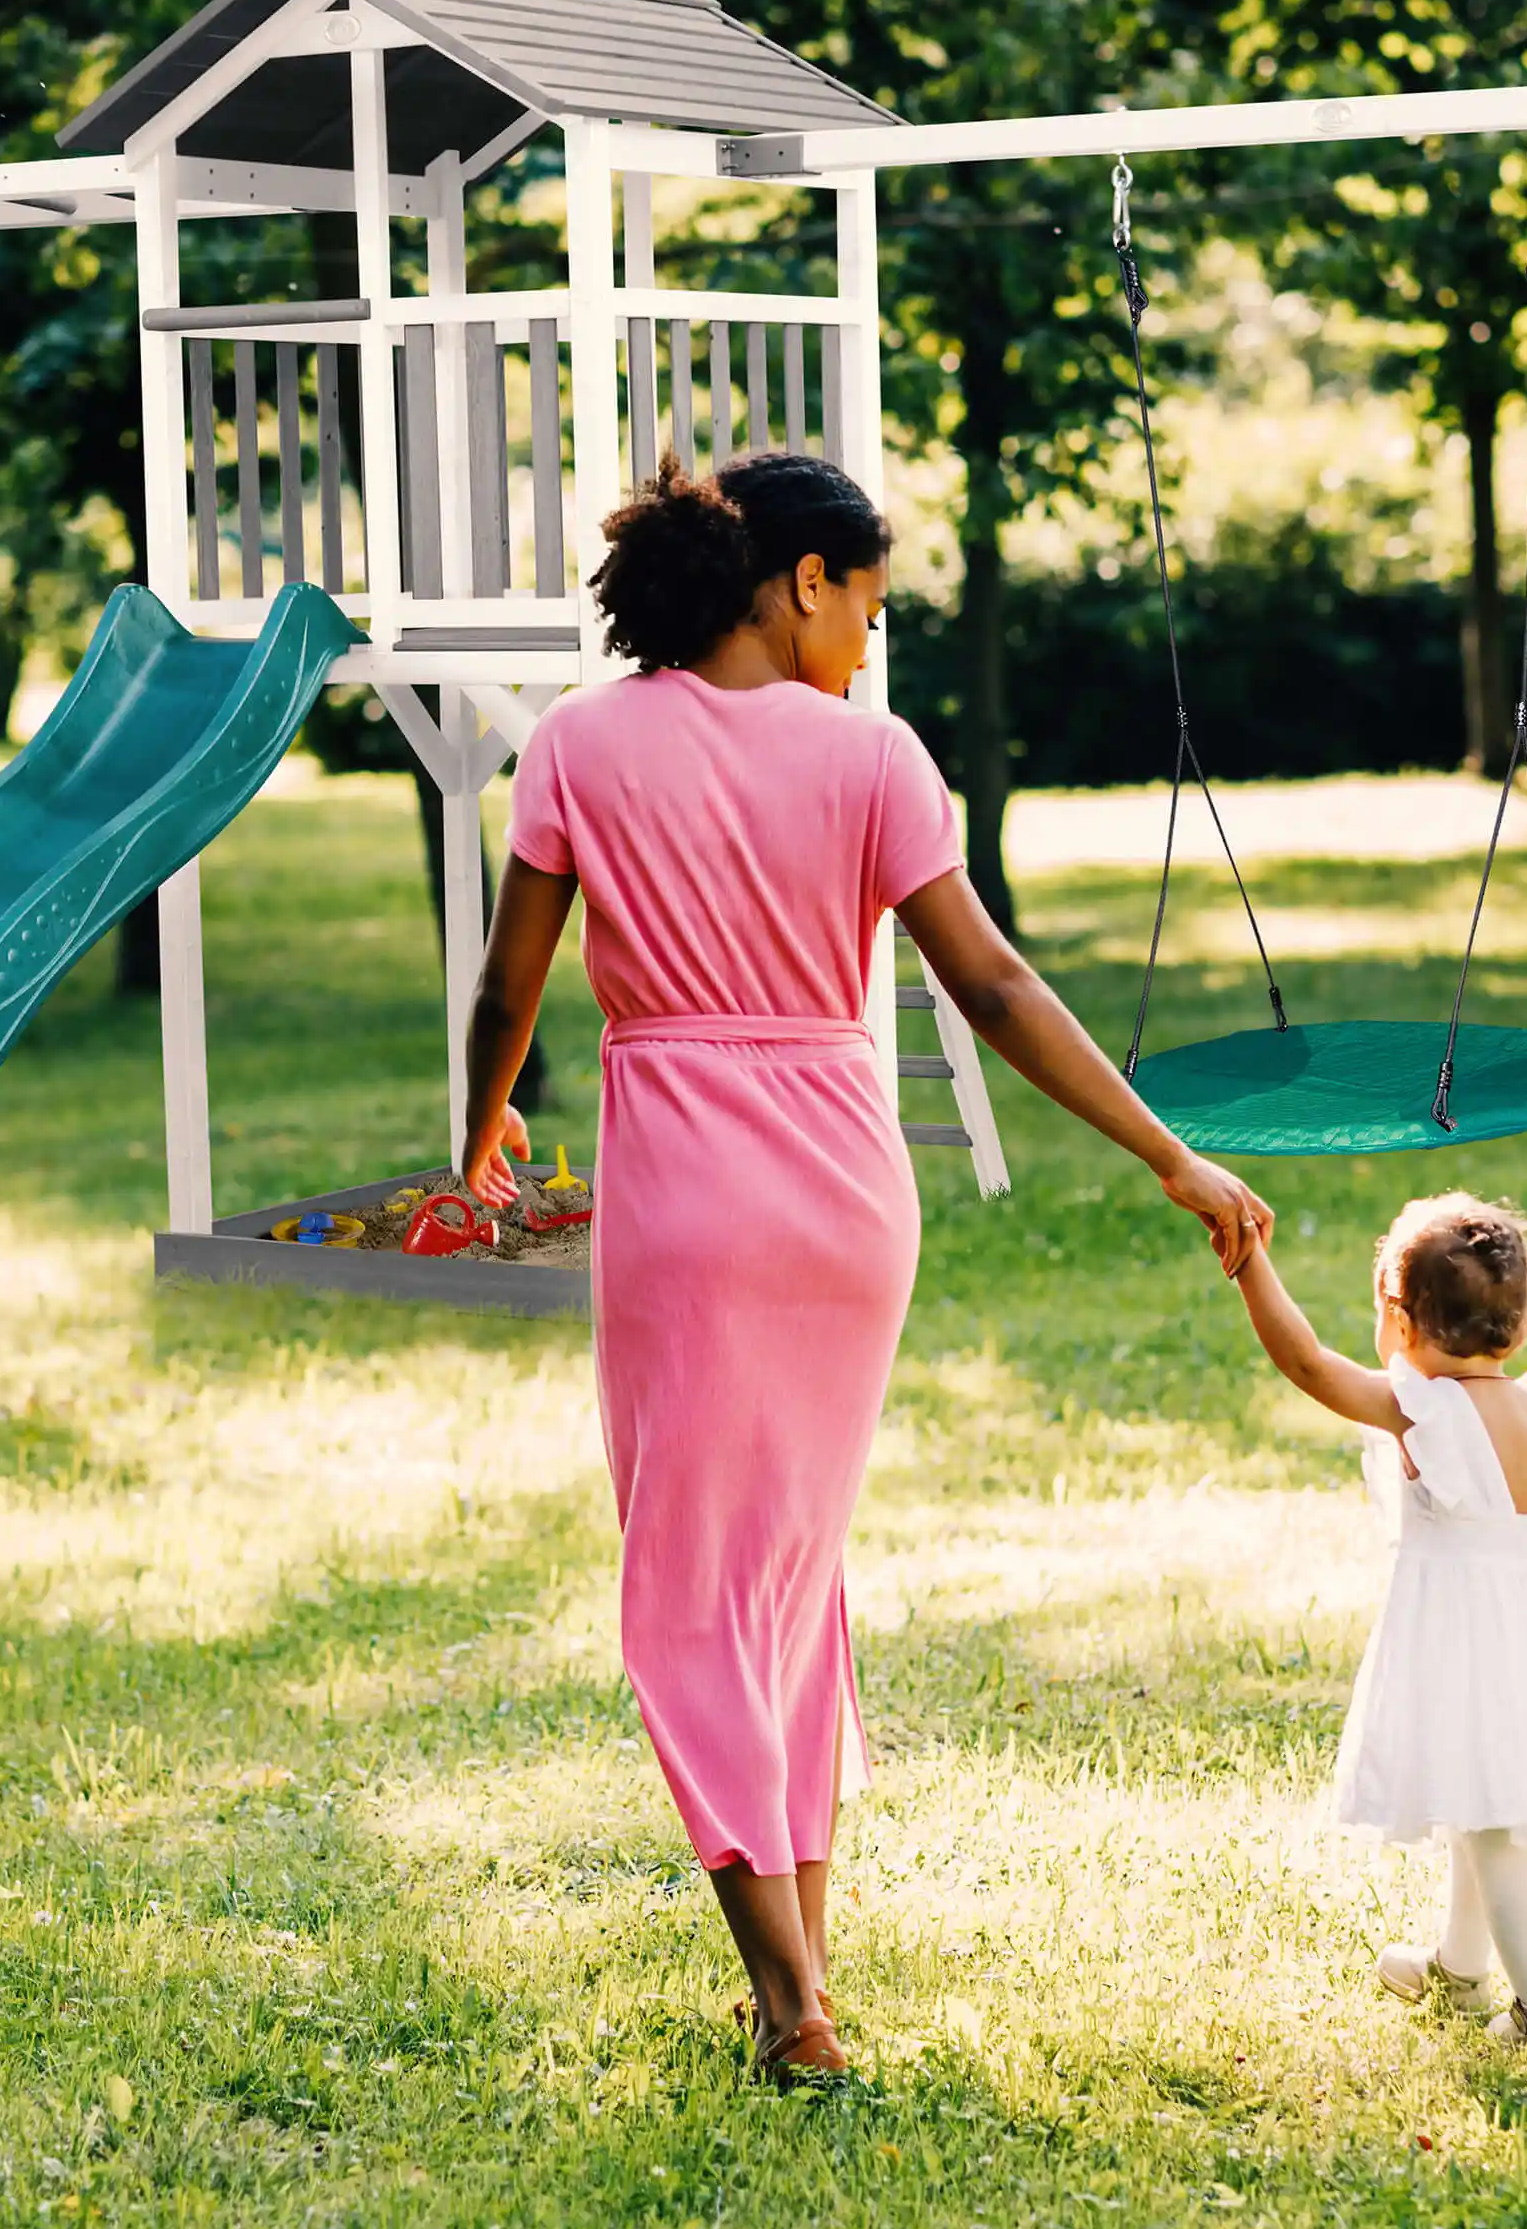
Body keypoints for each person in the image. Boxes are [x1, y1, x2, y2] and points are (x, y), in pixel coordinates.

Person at [458, 452, 1273, 2086]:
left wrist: (475, 1139)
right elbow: (992, 986)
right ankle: (804, 1974)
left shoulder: (578, 744)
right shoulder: (875, 760)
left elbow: (510, 987)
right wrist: (1166, 1149)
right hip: (844, 1195)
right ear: (801, 581)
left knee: (694, 1594)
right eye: (870, 608)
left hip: (686, 1195)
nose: (869, 645)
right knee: (788, 1580)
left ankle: (787, 2002)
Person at [1226, 1194, 1527, 2050]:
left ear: (1402, 1322)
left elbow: (1306, 1363)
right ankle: (1459, 1969)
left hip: (1464, 1641)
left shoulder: (1423, 1412)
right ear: (1519, 1326)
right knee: (1474, 1794)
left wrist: (1249, 1263)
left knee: (1492, 1827)